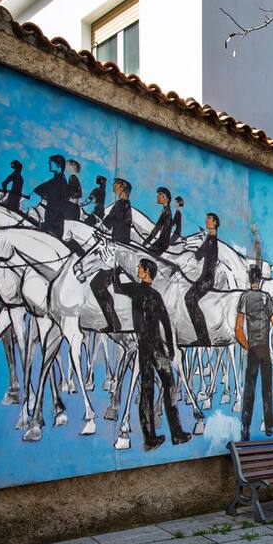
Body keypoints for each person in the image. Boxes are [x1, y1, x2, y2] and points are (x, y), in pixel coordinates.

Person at [112, 259, 188, 450]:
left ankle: (149, 438)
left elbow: (117, 286)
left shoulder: (136, 290)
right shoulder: (154, 295)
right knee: (169, 385)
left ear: (147, 272)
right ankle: (176, 433)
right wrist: (170, 347)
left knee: (147, 390)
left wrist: (115, 268)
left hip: (144, 346)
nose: (137, 269)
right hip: (155, 346)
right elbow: (166, 323)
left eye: (140, 267)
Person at [236, 265, 273, 441]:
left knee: (249, 391)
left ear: (249, 279)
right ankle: (269, 427)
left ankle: (245, 429)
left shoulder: (244, 297)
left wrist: (247, 346)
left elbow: (238, 330)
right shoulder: (266, 298)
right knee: (267, 390)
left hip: (252, 348)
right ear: (260, 280)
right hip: (264, 348)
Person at [90, 178, 134, 332]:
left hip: (117, 253)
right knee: (101, 285)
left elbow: (114, 226)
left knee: (97, 285)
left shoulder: (123, 205)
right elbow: (108, 224)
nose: (113, 187)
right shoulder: (120, 205)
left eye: (116, 185)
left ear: (122, 188)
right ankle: (114, 322)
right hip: (116, 251)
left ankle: (114, 323)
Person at [185, 213, 219, 346]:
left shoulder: (211, 240)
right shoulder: (209, 238)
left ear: (215, 223)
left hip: (207, 279)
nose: (207, 221)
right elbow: (199, 254)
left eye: (209, 219)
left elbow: (199, 255)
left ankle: (204, 338)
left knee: (190, 299)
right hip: (204, 277)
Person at [32, 154, 70, 238]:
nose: (49, 164)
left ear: (58, 165)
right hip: (53, 224)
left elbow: (43, 189)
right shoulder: (58, 180)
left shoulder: (59, 182)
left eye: (51, 163)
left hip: (53, 227)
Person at [143, 187, 177, 256]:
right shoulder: (166, 211)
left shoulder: (166, 212)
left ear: (165, 198)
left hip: (161, 243)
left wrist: (146, 241)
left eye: (160, 194)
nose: (157, 196)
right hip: (162, 242)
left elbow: (157, 228)